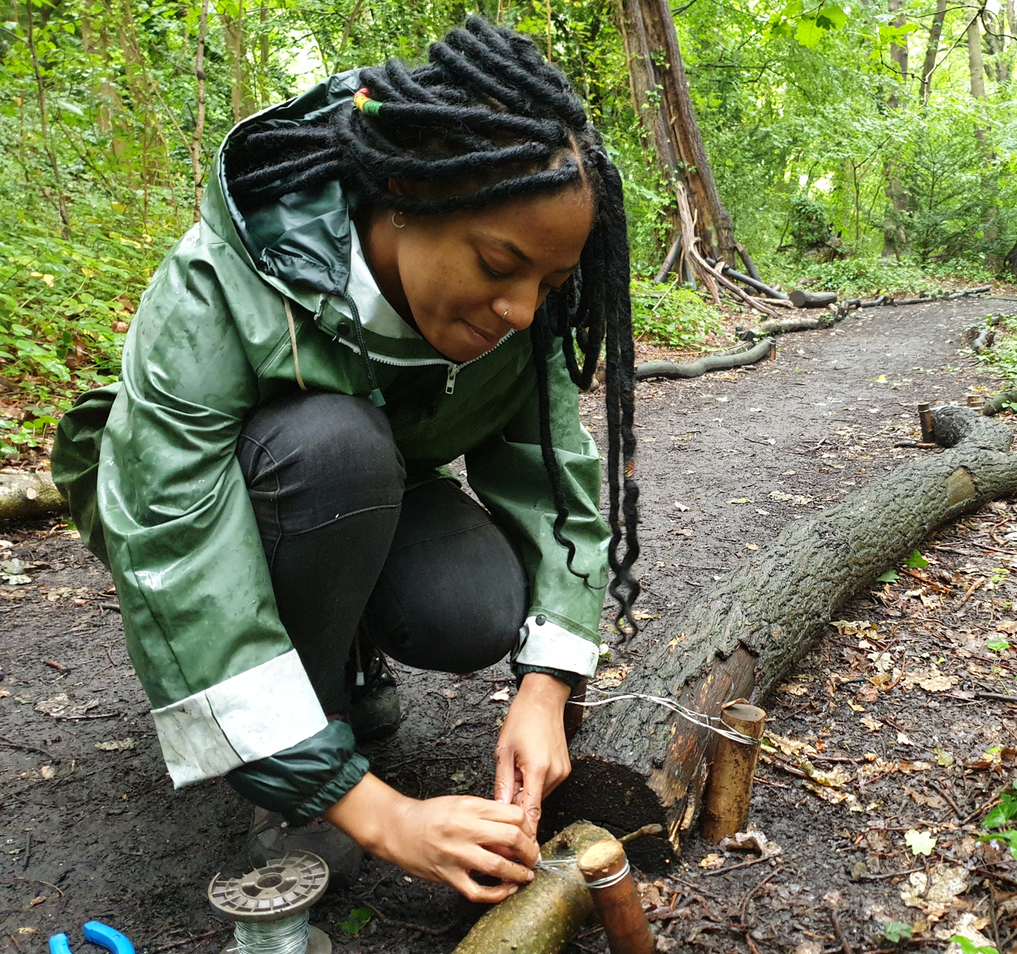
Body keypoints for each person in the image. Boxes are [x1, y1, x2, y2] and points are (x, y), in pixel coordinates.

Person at [49, 17, 641, 903]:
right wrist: (375, 811)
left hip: (367, 489)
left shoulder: (520, 317)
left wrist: (547, 686)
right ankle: (302, 757)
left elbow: (553, 478)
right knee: (335, 451)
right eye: (498, 265)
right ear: (405, 190)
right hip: (213, 498)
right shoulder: (225, 283)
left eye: (548, 286)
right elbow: (173, 538)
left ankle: (341, 662)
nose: (521, 310)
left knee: (474, 604)